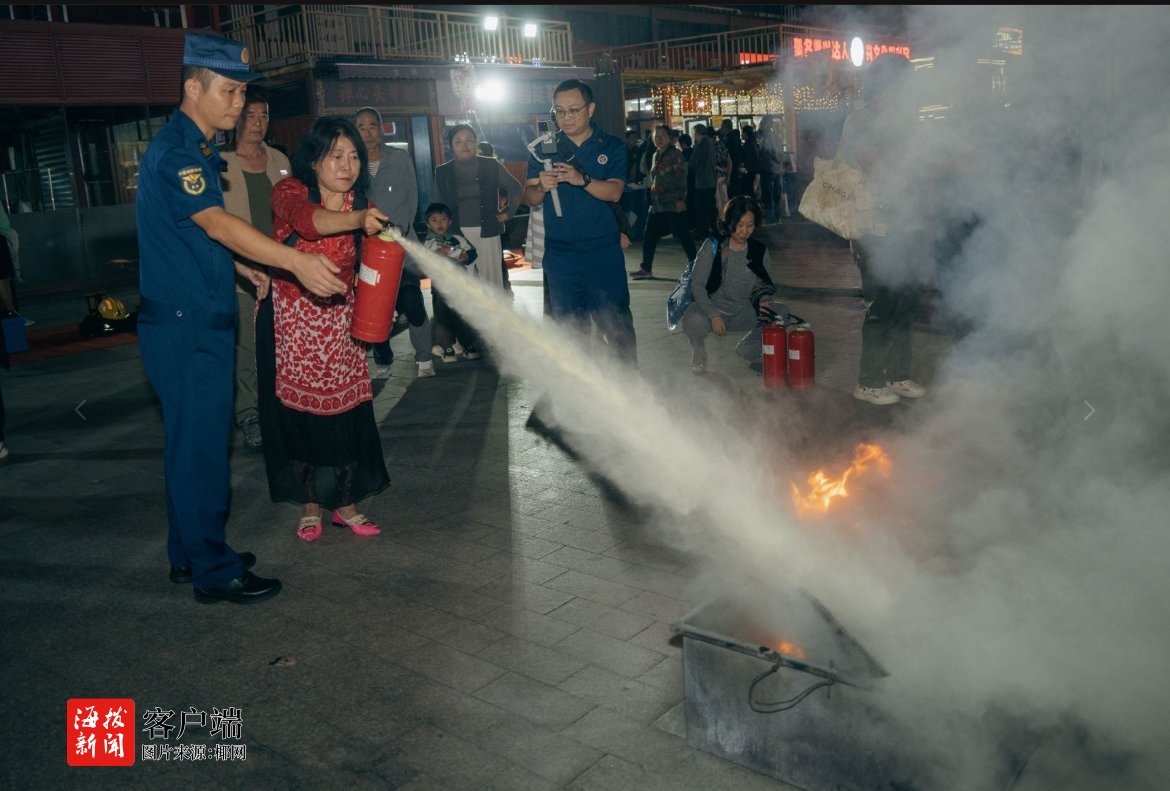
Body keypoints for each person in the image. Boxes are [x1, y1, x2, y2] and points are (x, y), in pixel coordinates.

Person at [136, 32, 346, 604]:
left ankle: (188, 554)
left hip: (190, 316)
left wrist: (239, 267)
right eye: (228, 91)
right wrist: (294, 261)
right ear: (193, 88)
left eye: (242, 92)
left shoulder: (196, 147)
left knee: (188, 445)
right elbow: (216, 221)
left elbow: (191, 234)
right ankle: (213, 570)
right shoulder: (181, 153)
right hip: (188, 326)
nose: (238, 103)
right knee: (203, 450)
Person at [256, 116, 391, 542]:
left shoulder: (361, 203)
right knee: (299, 415)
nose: (347, 165)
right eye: (336, 156)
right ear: (314, 160)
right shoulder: (290, 192)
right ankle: (311, 503)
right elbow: (308, 222)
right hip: (292, 324)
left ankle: (345, 504)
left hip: (341, 326)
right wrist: (358, 219)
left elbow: (373, 267)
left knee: (347, 414)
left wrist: (378, 309)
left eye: (354, 156)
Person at [838, 53, 931, 406]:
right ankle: (868, 380)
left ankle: (898, 373)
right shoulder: (860, 121)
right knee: (882, 303)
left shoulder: (903, 121)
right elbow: (874, 166)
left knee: (906, 301)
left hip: (906, 224)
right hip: (873, 229)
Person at [523, 78, 636, 364]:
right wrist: (541, 187)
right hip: (560, 255)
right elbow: (529, 197)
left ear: (590, 109)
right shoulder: (544, 148)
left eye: (573, 110)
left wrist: (580, 179)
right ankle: (581, 386)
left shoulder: (611, 146)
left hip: (602, 251)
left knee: (616, 322)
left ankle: (628, 383)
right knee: (570, 329)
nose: (566, 118)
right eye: (559, 111)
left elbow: (614, 192)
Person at [219, 88, 292, 450]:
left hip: (282, 268)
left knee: (282, 342)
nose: (258, 123)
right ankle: (248, 413)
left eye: (264, 115)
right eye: (250, 115)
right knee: (247, 345)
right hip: (243, 271)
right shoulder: (221, 163)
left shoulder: (279, 159)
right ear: (236, 119)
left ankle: (281, 407)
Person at [354, 106, 434, 380]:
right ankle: (383, 359)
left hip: (402, 245)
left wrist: (400, 230)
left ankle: (424, 357)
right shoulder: (353, 163)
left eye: (372, 126)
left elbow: (413, 198)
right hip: (369, 250)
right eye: (361, 127)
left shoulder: (399, 158)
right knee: (376, 306)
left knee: (412, 300)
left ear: (381, 128)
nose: (367, 132)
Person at [430, 123, 522, 357]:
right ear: (451, 146)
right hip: (457, 235)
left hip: (488, 232)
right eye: (459, 141)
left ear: (476, 143)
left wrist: (508, 213)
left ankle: (498, 339)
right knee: (464, 288)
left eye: (469, 140)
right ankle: (467, 339)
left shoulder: (491, 165)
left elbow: (515, 188)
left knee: (493, 284)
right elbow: (436, 207)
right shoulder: (442, 171)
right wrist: (439, 237)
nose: (465, 145)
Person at [680, 196, 784, 375]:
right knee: (692, 319)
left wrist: (764, 299)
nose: (744, 231)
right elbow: (697, 285)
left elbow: (764, 284)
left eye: (750, 225)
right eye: (740, 224)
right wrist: (713, 314)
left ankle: (748, 348)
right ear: (728, 223)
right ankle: (698, 351)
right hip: (711, 311)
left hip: (742, 312)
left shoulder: (758, 251)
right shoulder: (713, 246)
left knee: (781, 313)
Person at [629, 125, 696, 280]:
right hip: (658, 205)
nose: (659, 139)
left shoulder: (675, 154)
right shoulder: (655, 154)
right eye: (656, 136)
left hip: (673, 203)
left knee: (684, 236)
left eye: (663, 136)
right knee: (649, 236)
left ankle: (697, 267)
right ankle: (646, 268)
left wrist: (680, 199)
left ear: (670, 138)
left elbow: (681, 178)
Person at [422, 202, 479, 363]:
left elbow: (472, 253)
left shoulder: (458, 238)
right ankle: (447, 347)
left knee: (462, 313)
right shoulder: (429, 242)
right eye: (434, 220)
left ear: (450, 221)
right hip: (440, 286)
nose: (439, 223)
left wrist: (466, 256)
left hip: (459, 284)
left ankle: (468, 344)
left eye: (443, 219)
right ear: (428, 224)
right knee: (442, 316)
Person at [688, 124, 718, 239]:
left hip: (702, 181)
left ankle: (702, 231)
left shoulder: (700, 146)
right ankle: (715, 229)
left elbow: (693, 163)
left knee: (701, 208)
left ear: (696, 133)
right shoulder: (711, 143)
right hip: (711, 180)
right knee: (710, 207)